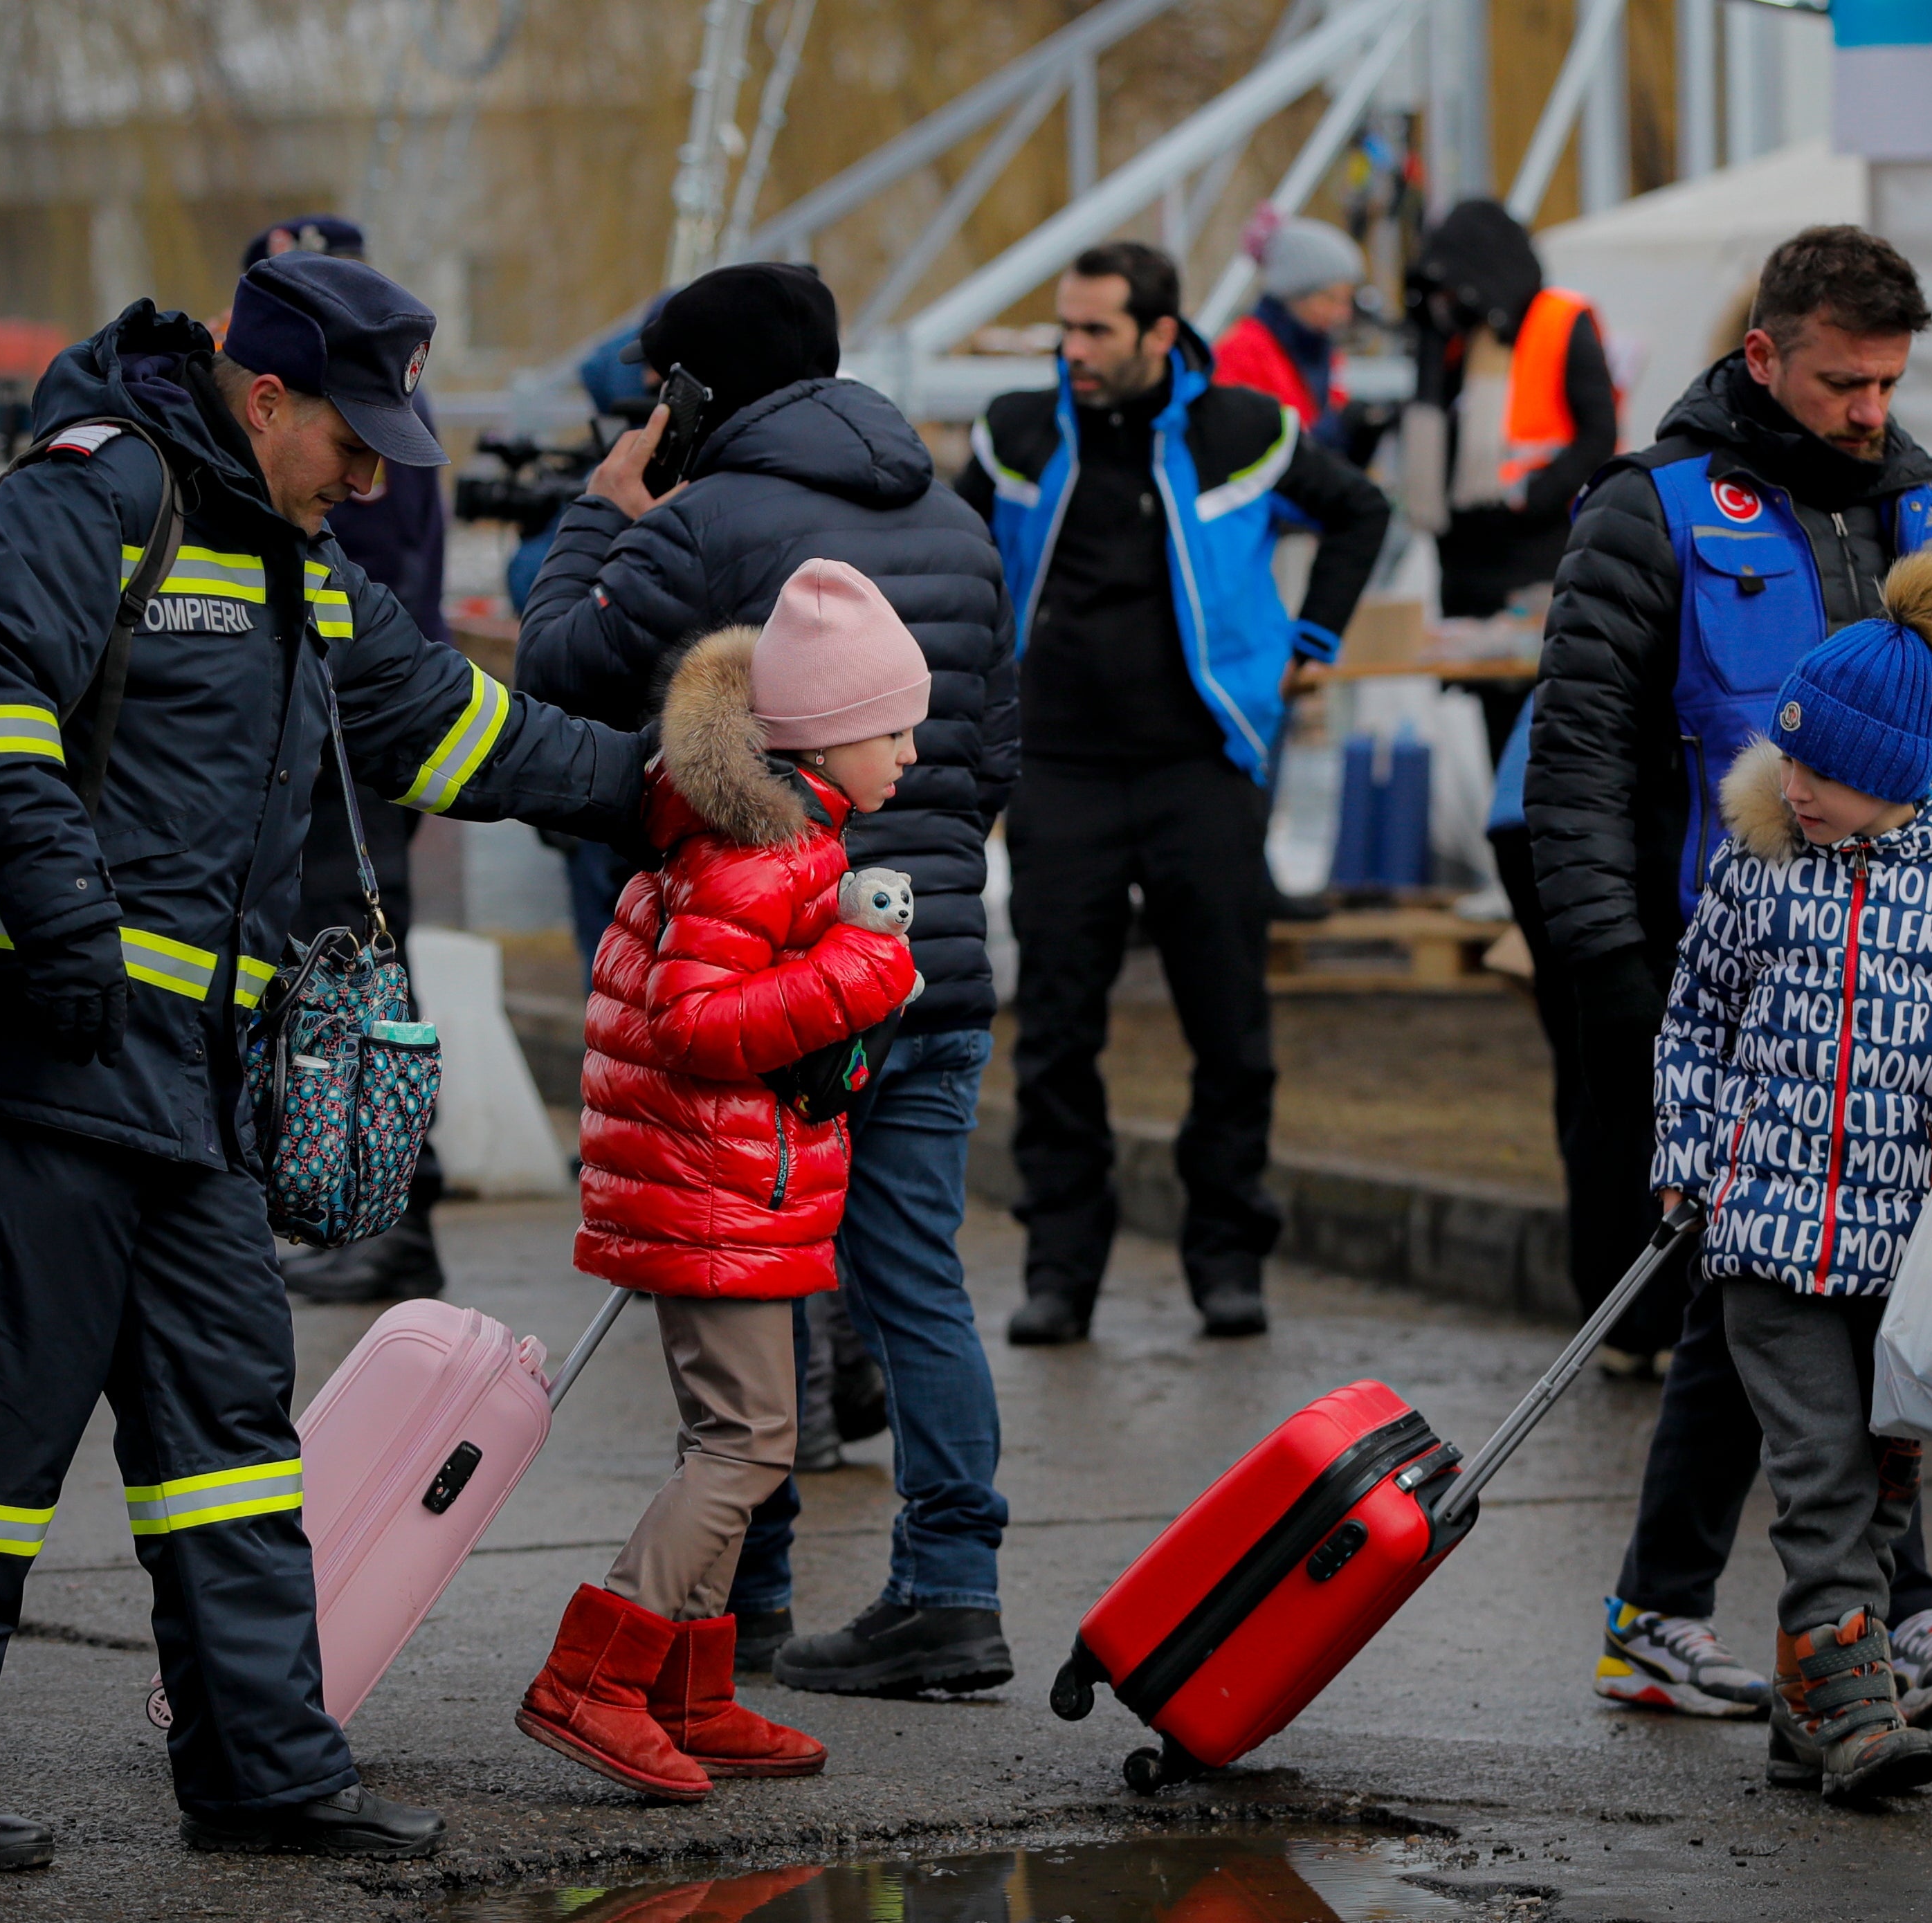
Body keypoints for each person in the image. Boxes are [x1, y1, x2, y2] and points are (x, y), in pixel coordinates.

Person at [0, 252, 657, 1872]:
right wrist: (61, 919)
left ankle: (263, 1769)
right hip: (46, 1061)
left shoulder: (297, 563)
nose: (367, 475)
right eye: (350, 439)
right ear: (267, 397)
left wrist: (658, 787)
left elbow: (457, 730)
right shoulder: (96, 495)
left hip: (192, 1092)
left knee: (230, 1442)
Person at [1524, 225, 1932, 1729]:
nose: (1870, 410)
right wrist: (1608, 963)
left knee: (1803, 1298)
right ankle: (1878, 1613)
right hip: (1710, 971)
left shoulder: (1919, 503)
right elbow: (1581, 753)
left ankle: (1693, 1612)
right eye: (1842, 381)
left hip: (1893, 978)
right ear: (1764, 357)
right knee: (1773, 1297)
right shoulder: (1650, 510)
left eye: (1887, 382)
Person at [513, 262, 1026, 1699]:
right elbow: (990, 752)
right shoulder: (957, 519)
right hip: (928, 966)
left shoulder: (701, 524)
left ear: (695, 391)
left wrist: (592, 516)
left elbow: (555, 673)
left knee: (760, 1278)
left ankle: (751, 1607)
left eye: (660, 387)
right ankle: (950, 1591)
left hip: (766, 986)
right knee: (912, 1280)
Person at [1655, 552, 1932, 1803]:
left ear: (1900, 771)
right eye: (1786, 760)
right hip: (1770, 1228)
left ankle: (1809, 1707)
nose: (1795, 789)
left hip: (1909, 1239)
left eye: (1825, 773)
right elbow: (1695, 1020)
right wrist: (1687, 1161)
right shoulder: (1759, 862)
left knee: (1887, 1468)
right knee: (1821, 1469)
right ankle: (1855, 1708)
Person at [515, 558, 923, 1802]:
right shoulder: (766, 855)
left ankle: (687, 1689)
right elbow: (693, 1022)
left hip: (727, 1191)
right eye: (891, 728)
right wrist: (866, 971)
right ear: (826, 735)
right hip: (713, 1198)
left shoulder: (777, 838)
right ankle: (595, 1673)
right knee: (747, 1445)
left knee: (734, 1436)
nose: (909, 752)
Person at [960, 240, 1387, 1345]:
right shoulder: (1016, 431)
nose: (1074, 350)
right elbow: (950, 548)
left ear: (1161, 333)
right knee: (1054, 1034)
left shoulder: (1238, 428)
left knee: (1230, 1030)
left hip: (1204, 765)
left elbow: (1360, 512)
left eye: (1097, 329)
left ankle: (1228, 1254)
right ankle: (1061, 1267)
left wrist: (1312, 640)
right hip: (1059, 769)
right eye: (1066, 327)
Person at [233, 217, 460, 1306]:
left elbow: (376, 605)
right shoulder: (379, 416)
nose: (363, 478)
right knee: (336, 977)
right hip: (341, 737)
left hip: (351, 738)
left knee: (359, 979)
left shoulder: (360, 431)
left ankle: (390, 1214)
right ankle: (357, 1199)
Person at [1400, 197, 1618, 625]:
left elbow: (1599, 433)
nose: (1445, 301)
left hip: (1536, 547)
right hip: (1465, 558)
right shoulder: (1449, 336)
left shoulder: (1558, 321)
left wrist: (1537, 498)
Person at [1211, 215, 1362, 448]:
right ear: (1295, 293)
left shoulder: (1321, 350)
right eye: (1330, 299)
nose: (1342, 314)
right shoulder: (1241, 352)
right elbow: (1236, 445)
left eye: (1346, 301)